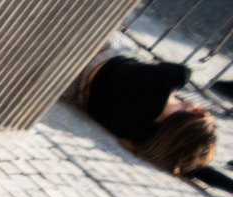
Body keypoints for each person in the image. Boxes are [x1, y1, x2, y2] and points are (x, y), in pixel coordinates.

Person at [66, 51, 220, 177]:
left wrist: (200, 116)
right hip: (72, 86)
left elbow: (183, 71)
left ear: (198, 112)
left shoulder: (166, 81)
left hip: (96, 55)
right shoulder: (139, 134)